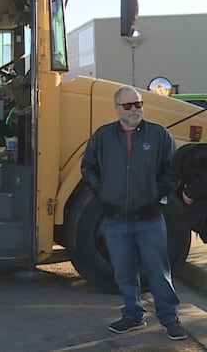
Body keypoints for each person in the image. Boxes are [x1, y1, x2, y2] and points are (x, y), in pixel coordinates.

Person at [81, 85, 187, 341]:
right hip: (116, 220)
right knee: (123, 272)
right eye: (128, 106)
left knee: (158, 271)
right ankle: (133, 314)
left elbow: (171, 170)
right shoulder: (103, 136)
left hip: (150, 220)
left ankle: (169, 318)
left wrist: (156, 197)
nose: (134, 110)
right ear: (117, 109)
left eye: (138, 104)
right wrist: (103, 195)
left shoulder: (159, 134)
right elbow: (89, 167)